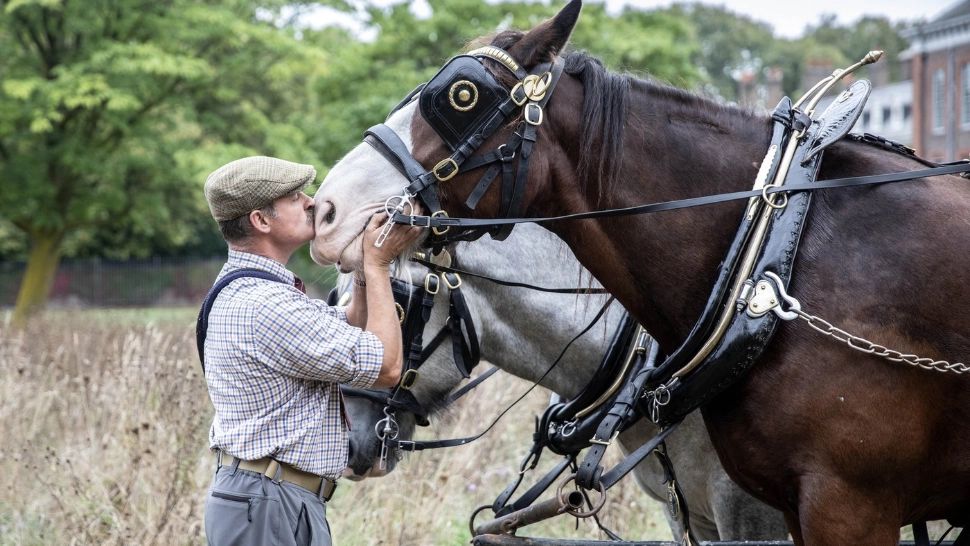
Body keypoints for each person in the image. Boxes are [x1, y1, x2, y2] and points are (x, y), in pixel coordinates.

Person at [199, 155, 421, 545]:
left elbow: (349, 328)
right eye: (294, 197)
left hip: (273, 498)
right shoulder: (265, 305)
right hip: (269, 504)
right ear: (261, 220)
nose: (311, 202)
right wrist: (379, 265)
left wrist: (361, 263)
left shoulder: (257, 291)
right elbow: (387, 367)